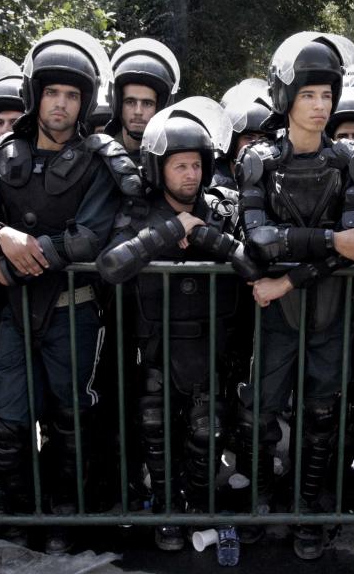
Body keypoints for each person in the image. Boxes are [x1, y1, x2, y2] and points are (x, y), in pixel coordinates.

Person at [0, 29, 140, 554]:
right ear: (35, 94)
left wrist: (19, 262)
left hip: (74, 311)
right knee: (8, 417)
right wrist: (2, 234)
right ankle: (18, 516)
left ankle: (68, 516)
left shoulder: (99, 158)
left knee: (72, 419)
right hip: (14, 313)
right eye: (52, 93)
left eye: (72, 95)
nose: (61, 105)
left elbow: (91, 236)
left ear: (85, 101)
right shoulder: (4, 153)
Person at [233, 31, 354, 560]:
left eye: (327, 95)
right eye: (309, 94)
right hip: (276, 315)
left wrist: (292, 276)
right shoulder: (259, 161)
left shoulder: (351, 162)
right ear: (286, 97)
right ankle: (261, 502)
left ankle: (309, 507)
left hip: (325, 309)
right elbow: (259, 240)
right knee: (260, 414)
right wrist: (328, 241)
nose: (320, 106)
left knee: (320, 415)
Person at [97, 97, 261, 550]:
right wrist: (169, 230)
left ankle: (198, 506)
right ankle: (167, 510)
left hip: (211, 346)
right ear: (157, 168)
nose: (190, 174)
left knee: (206, 433)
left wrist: (206, 234)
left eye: (195, 165)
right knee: (156, 432)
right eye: (179, 166)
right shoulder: (136, 212)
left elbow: (254, 264)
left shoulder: (223, 208)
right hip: (153, 346)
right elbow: (110, 266)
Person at [104, 38, 180, 157]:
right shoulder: (97, 156)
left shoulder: (176, 160)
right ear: (117, 104)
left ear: (161, 107)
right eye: (130, 102)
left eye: (147, 103)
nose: (138, 112)